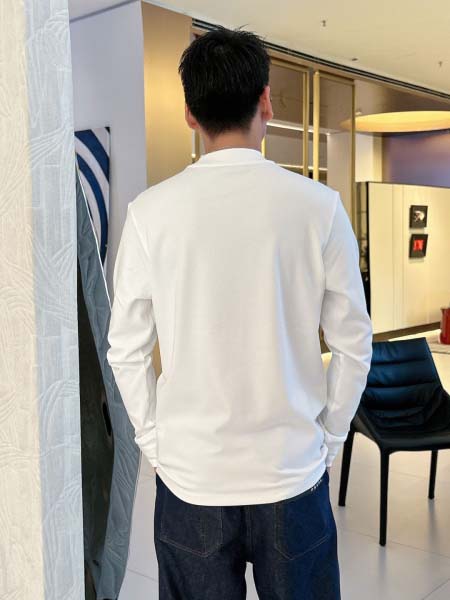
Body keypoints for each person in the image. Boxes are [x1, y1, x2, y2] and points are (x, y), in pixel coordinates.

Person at [106, 25, 373, 600]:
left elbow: (125, 350)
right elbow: (354, 344)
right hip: (291, 473)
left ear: (189, 114)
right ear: (267, 102)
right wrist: (327, 440)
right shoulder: (319, 208)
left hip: (192, 479)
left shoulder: (150, 214)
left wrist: (156, 444)